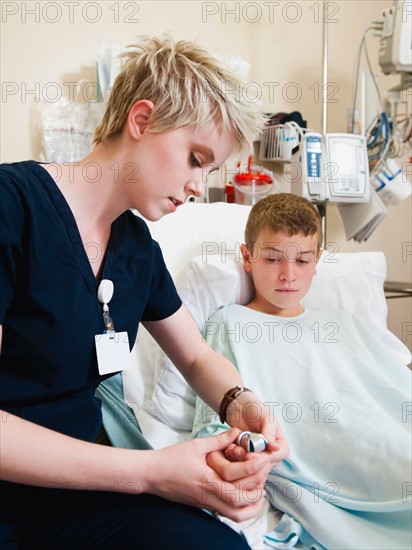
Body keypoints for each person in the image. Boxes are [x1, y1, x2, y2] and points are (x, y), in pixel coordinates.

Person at [0, 36, 289, 548]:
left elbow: (197, 356)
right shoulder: (13, 208)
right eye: (196, 158)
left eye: (211, 169)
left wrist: (241, 403)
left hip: (83, 495)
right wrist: (152, 472)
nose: (200, 185)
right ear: (142, 120)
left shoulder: (136, 248)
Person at [193, 193, 412, 549]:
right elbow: (213, 411)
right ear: (247, 257)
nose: (288, 275)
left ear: (318, 261)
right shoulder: (229, 322)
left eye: (302, 261)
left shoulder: (343, 323)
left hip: (380, 428)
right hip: (318, 452)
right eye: (272, 258)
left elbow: (393, 383)